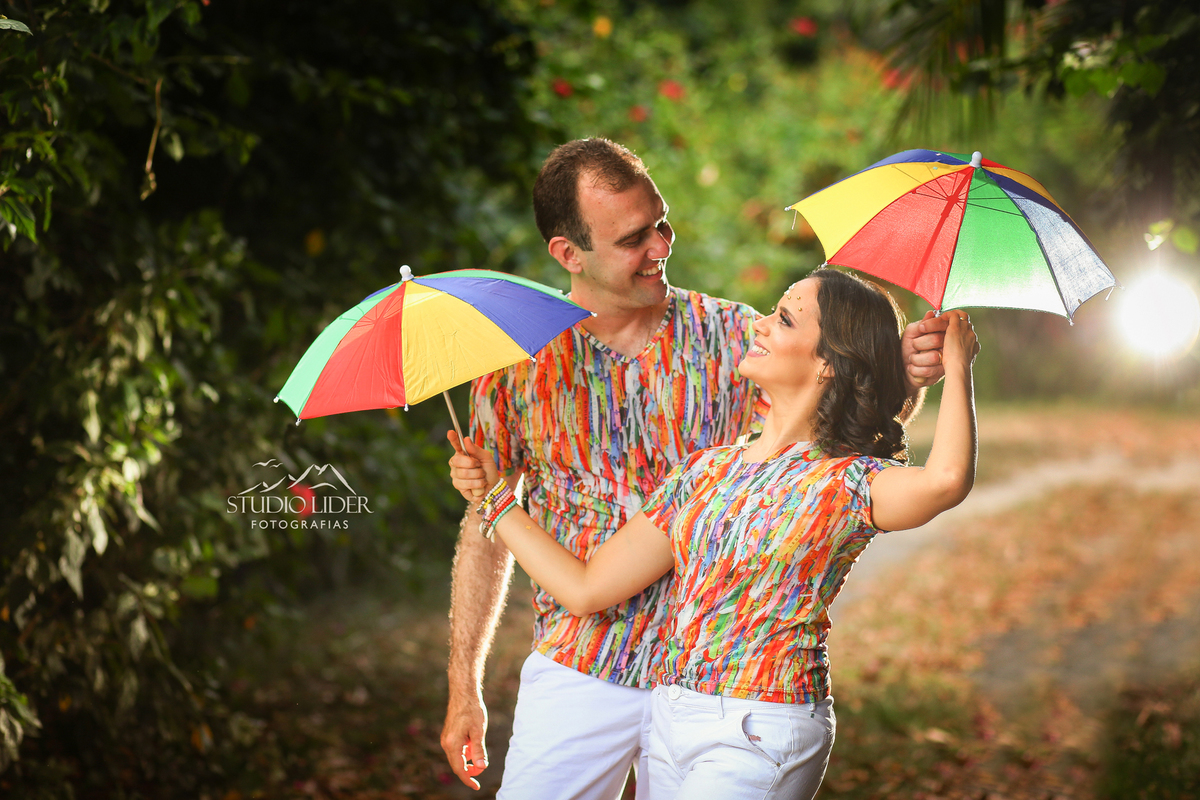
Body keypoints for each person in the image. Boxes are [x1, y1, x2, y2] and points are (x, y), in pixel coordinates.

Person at [440, 138, 953, 798]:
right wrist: (464, 683)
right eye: (633, 239)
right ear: (570, 254)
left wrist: (906, 379)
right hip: (580, 662)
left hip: (717, 682)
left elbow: (836, 440)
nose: (660, 245)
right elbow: (487, 526)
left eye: (661, 223)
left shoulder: (734, 336)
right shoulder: (516, 370)